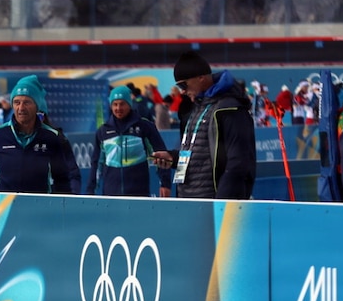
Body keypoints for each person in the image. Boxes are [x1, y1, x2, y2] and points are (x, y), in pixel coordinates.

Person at [152, 52, 256, 200]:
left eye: (183, 84)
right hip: (189, 199)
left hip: (212, 201)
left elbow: (239, 161)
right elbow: (197, 152)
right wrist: (173, 158)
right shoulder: (198, 107)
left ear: (201, 78)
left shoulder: (229, 109)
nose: (182, 91)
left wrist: (222, 202)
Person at [0, 74, 75, 194]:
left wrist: (64, 208)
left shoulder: (50, 137)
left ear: (37, 106)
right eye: (16, 102)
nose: (21, 108)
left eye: (27, 102)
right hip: (5, 208)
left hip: (39, 207)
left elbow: (62, 179)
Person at [87, 85, 172, 197]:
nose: (118, 108)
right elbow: (97, 163)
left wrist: (165, 183)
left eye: (122, 104)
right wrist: (90, 190)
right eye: (115, 104)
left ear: (129, 104)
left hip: (138, 194)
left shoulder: (144, 126)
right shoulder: (103, 131)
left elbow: (161, 154)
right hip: (111, 194)